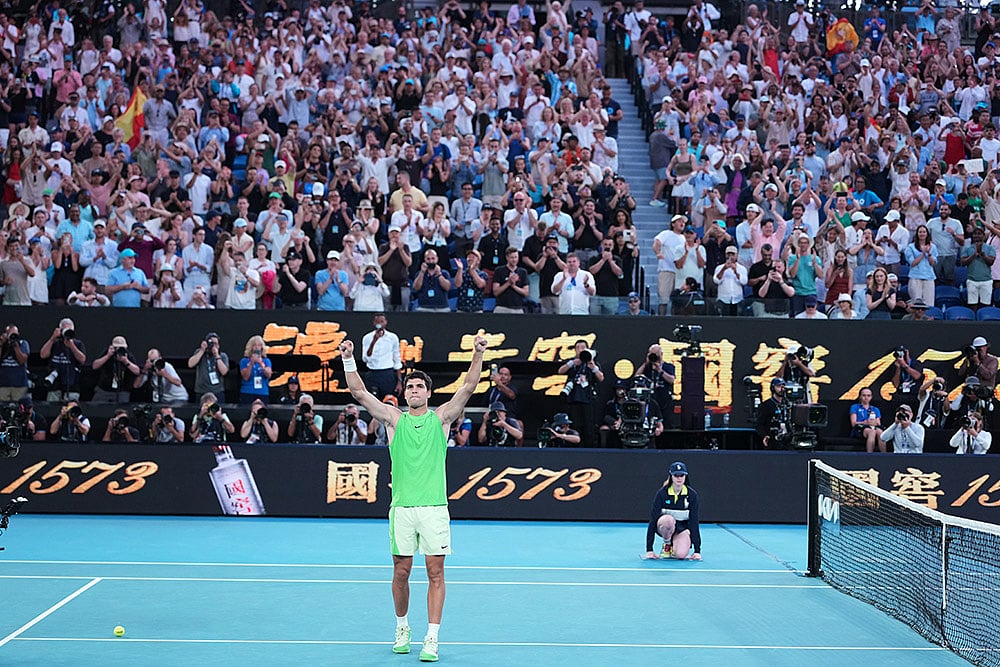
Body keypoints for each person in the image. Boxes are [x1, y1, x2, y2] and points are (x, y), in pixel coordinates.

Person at [339, 333, 489, 663]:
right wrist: (348, 357)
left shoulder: (441, 419)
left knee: (436, 573)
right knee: (401, 573)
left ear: (429, 393)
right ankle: (402, 627)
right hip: (402, 508)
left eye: (419, 387)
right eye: (409, 387)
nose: (413, 391)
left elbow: (467, 388)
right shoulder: (394, 419)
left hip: (434, 508)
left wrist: (478, 354)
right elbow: (360, 393)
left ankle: (432, 637)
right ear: (404, 393)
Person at [645, 461, 702, 560]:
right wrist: (649, 549)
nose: (679, 478)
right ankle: (667, 545)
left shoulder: (692, 495)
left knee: (681, 555)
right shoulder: (662, 494)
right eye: (676, 475)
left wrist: (697, 550)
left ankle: (675, 545)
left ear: (685, 477)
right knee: (668, 520)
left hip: (682, 529)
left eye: (682, 475)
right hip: (665, 527)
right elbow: (653, 520)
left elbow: (694, 521)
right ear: (671, 476)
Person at [558, 340, 605, 447]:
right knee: (574, 425)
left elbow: (601, 378)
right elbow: (560, 371)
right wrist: (572, 363)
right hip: (573, 399)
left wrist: (593, 368)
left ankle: (589, 448)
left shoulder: (592, 362)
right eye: (578, 347)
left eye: (583, 347)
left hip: (588, 399)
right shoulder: (572, 362)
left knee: (589, 427)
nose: (580, 349)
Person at [362, 314, 403, 399]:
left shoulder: (392, 337)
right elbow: (365, 358)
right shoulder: (367, 337)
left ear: (385, 322)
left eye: (381, 321)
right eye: (377, 322)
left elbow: (397, 359)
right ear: (374, 323)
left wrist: (399, 382)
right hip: (373, 374)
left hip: (387, 374)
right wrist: (374, 340)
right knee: (372, 402)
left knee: (388, 402)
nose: (379, 324)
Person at [187, 332, 229, 401]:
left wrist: (217, 356)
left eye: (216, 344)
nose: (213, 346)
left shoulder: (222, 356)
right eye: (212, 343)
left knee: (215, 410)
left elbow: (224, 372)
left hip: (217, 391)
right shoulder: (199, 353)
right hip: (201, 391)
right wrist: (202, 350)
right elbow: (190, 364)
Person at [756, 378, 791, 448]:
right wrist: (764, 435)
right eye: (778, 386)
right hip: (773, 439)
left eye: (783, 386)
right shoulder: (766, 405)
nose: (781, 389)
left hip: (788, 439)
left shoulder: (788, 404)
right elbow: (759, 424)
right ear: (772, 388)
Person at [239, 335, 273, 405]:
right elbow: (245, 377)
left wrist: (261, 363)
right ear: (251, 347)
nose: (257, 347)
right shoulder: (244, 361)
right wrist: (251, 364)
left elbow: (268, 375)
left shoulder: (266, 361)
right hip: (248, 392)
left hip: (262, 392)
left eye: (259, 345)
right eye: (254, 345)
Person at [0, 324, 30, 401]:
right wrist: (1, 345)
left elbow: (22, 360)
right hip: (2, 384)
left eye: (14, 334)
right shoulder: (2, 344)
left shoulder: (23, 343)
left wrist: (15, 345)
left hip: (19, 385)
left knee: (19, 408)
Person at [850, 387, 884, 453]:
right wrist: (865, 423)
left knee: (880, 432)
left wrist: (874, 423)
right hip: (860, 427)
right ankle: (869, 455)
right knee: (872, 432)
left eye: (868, 395)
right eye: (864, 395)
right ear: (860, 396)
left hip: (873, 427)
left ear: (871, 397)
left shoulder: (875, 409)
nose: (866, 397)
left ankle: (885, 455)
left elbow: (878, 423)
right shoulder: (855, 407)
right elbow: (853, 423)